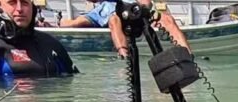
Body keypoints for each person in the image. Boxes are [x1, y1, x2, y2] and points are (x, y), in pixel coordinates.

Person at [0, 0, 77, 78]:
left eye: (24, 3)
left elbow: (74, 79)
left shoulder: (50, 43)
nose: (19, 9)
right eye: (12, 2)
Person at [58, 0, 189, 58]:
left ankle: (188, 55)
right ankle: (124, 56)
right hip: (108, 12)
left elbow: (146, 3)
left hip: (135, 12)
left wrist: (144, 10)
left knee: (167, 19)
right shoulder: (103, 7)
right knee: (112, 20)